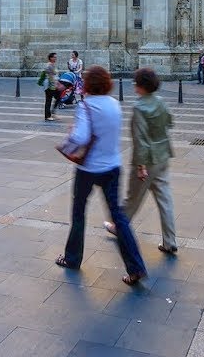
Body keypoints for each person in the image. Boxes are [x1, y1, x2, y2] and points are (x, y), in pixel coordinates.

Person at [54, 66, 147, 286]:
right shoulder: (114, 104)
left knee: (78, 213)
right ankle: (136, 267)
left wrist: (70, 134)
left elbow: (80, 136)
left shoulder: (86, 106)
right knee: (119, 217)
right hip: (112, 167)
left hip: (88, 169)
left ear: (87, 84)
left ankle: (72, 258)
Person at [104, 67, 178, 254]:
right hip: (163, 156)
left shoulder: (139, 108)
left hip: (147, 162)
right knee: (165, 200)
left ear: (142, 86)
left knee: (132, 199)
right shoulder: (160, 102)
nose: (134, 85)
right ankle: (170, 242)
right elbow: (170, 122)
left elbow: (140, 140)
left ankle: (118, 227)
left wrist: (140, 166)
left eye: (136, 82)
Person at [41, 52, 59, 121]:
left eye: (55, 57)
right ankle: (47, 116)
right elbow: (51, 77)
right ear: (51, 58)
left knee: (58, 97)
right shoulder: (49, 66)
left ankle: (52, 113)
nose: (55, 58)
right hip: (49, 86)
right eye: (54, 57)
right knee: (49, 100)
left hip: (53, 85)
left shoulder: (52, 65)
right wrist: (54, 85)